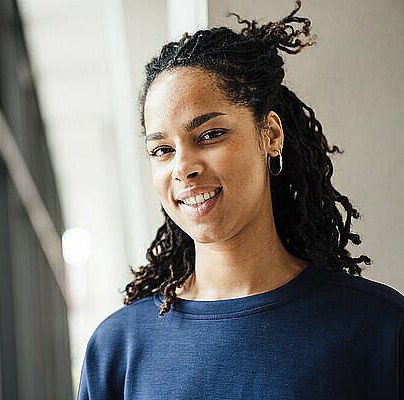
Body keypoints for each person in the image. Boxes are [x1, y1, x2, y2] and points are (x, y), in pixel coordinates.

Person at [76, 1, 404, 399]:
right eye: (161, 149)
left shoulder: (378, 329)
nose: (183, 167)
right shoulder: (117, 349)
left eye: (210, 135)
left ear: (270, 135)